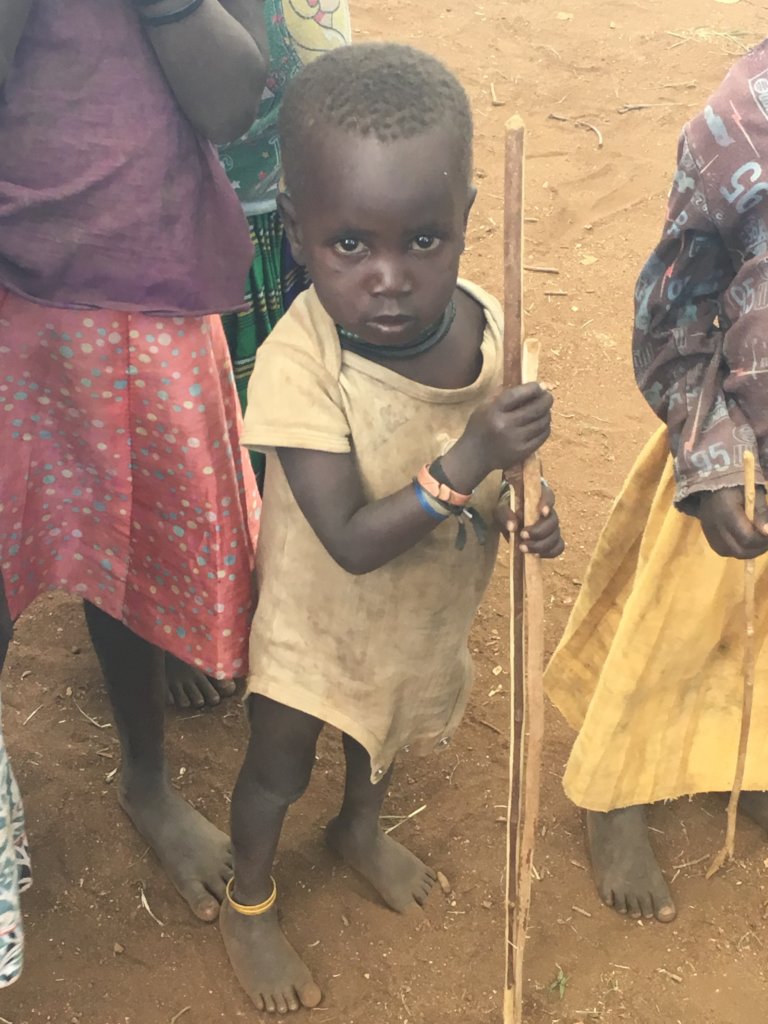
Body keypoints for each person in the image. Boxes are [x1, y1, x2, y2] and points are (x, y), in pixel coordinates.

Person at [219, 43, 564, 1014]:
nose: (388, 278)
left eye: (423, 241)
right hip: (317, 620)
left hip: (422, 613)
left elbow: (509, 472)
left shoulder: (492, 329)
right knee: (279, 760)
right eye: (349, 245)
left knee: (391, 729)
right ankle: (251, 898)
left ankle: (358, 829)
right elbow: (351, 541)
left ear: (464, 223)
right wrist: (469, 462)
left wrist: (532, 512)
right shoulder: (301, 361)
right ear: (296, 232)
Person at [0, 0, 267, 984]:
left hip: (145, 295)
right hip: (11, 299)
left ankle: (145, 776)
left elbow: (235, 101)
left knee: (125, 546)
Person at [545, 39, 768, 925]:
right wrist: (711, 459)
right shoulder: (737, 130)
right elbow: (675, 315)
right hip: (739, 463)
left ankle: (746, 764)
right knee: (671, 639)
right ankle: (611, 789)